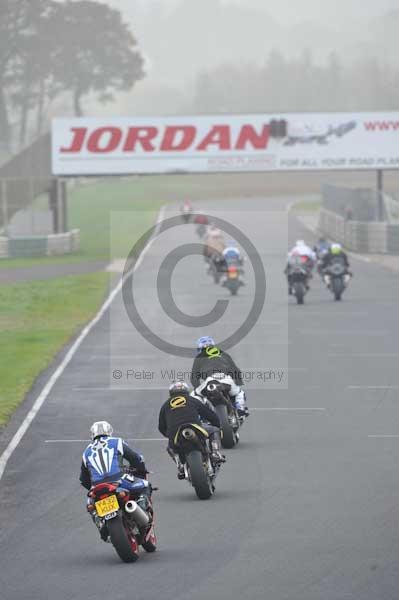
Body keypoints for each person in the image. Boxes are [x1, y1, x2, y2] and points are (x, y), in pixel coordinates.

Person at [80, 421, 150, 540]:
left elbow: (83, 479)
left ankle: (100, 523)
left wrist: (94, 489)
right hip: (118, 480)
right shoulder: (116, 441)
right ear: (109, 431)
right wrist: (140, 471)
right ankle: (142, 510)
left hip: (97, 487)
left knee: (91, 506)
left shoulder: (86, 451)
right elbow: (135, 458)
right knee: (145, 486)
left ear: (92, 434)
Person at [158, 381, 224, 479]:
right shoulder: (192, 400)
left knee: (170, 448)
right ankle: (215, 453)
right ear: (186, 390)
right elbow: (208, 414)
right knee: (213, 430)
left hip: (175, 433)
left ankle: (180, 465)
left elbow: (161, 427)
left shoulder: (165, 405)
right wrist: (217, 425)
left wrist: (170, 435)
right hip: (195, 427)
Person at [190, 336, 249, 416]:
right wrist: (238, 382)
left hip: (210, 381)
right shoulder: (223, 354)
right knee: (239, 393)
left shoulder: (199, 357)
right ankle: (240, 408)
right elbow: (235, 370)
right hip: (226, 379)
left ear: (200, 348)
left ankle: (198, 415)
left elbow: (194, 377)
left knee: (194, 395)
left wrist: (197, 387)